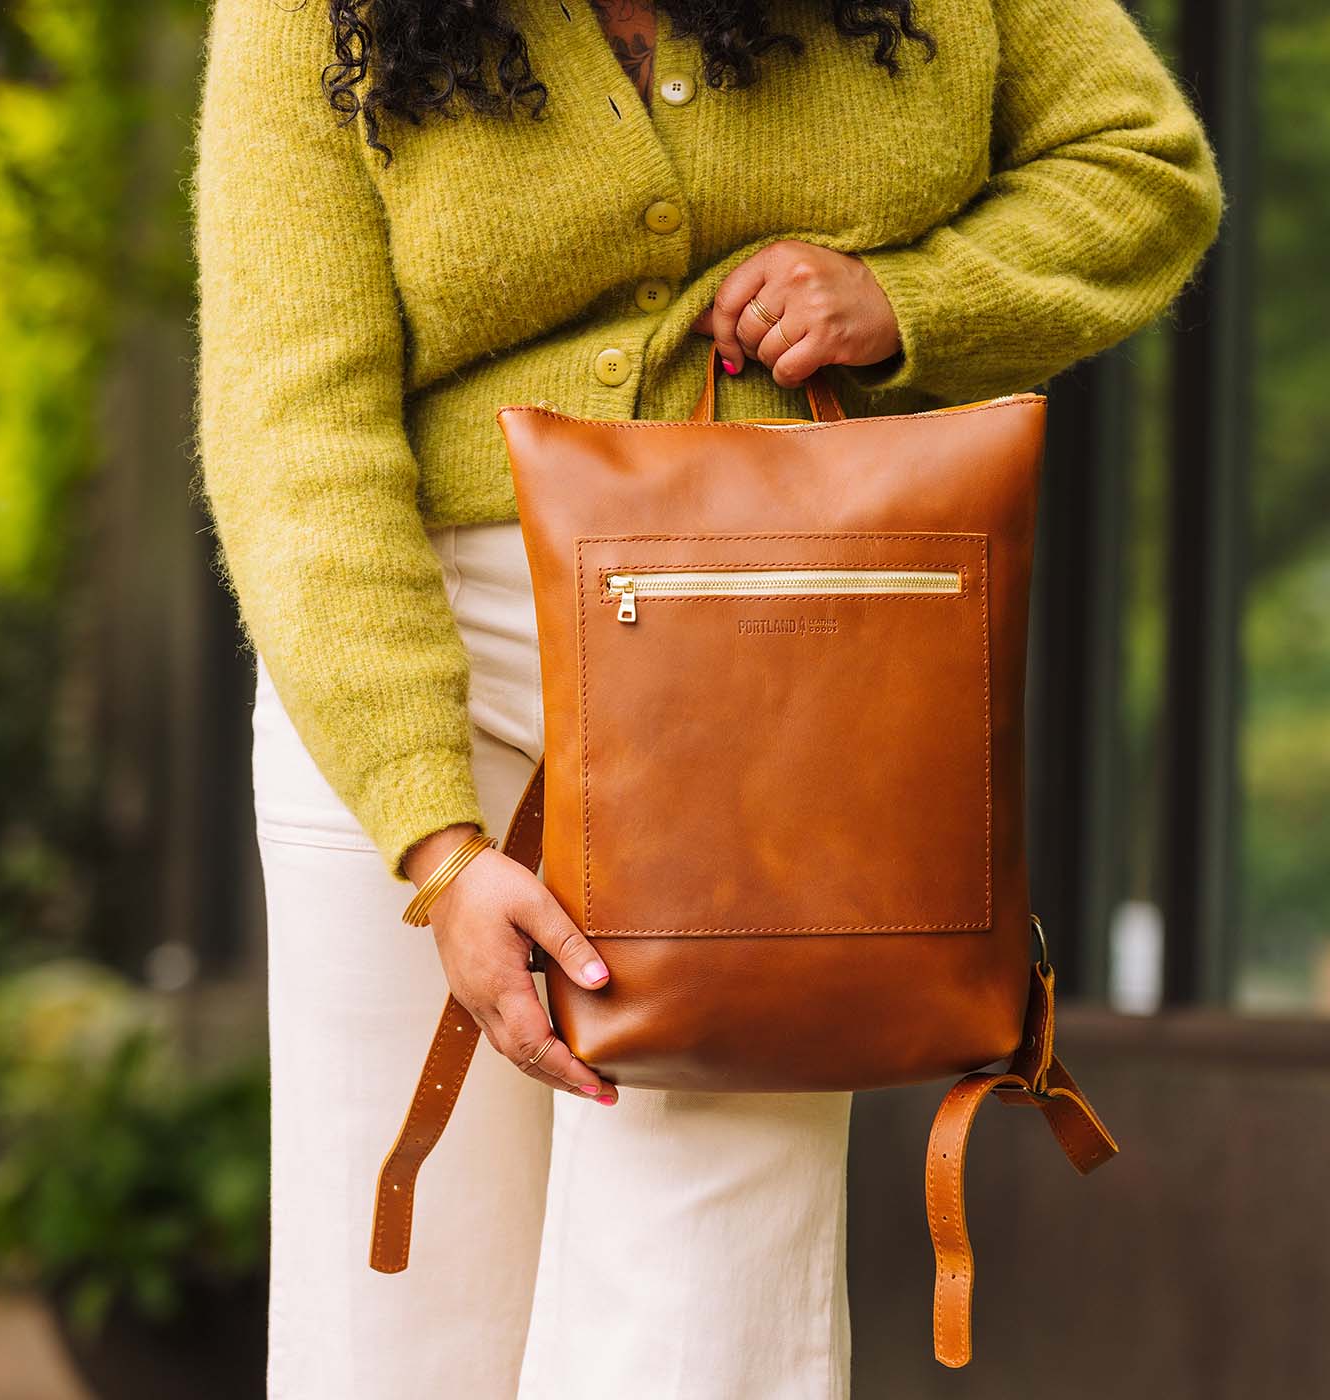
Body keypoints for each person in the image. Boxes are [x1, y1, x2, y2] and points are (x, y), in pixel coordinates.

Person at [192, 0, 1223, 1394]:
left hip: (763, 682)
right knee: (402, 1321)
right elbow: (289, 413)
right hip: (398, 675)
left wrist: (912, 301)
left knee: (700, 1314)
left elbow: (1141, 168)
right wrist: (434, 844)